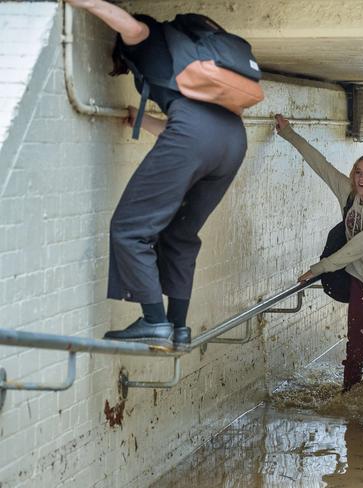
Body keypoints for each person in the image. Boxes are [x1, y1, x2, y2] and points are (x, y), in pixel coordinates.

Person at [64, 0, 248, 349]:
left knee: (130, 229)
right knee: (180, 233)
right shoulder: (187, 62)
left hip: (195, 135)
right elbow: (192, 135)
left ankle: (154, 321)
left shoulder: (149, 37)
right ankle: (178, 328)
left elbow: (129, 26)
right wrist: (141, 120)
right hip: (233, 139)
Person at [274, 114, 363, 391]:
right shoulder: (349, 195)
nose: (361, 178)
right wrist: (288, 133)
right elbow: (320, 165)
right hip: (361, 287)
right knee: (354, 358)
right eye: (358, 172)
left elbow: (356, 248)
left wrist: (319, 267)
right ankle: (350, 412)